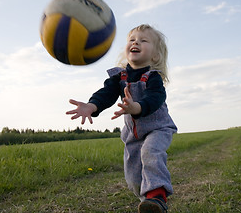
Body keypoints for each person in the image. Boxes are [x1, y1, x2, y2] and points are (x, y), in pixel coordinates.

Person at [66, 24, 177, 213]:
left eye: (143, 40)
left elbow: (155, 98)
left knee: (150, 152)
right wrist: (92, 106)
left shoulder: (153, 77)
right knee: (134, 178)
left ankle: (158, 196)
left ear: (155, 56)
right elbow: (106, 94)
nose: (136, 42)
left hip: (158, 128)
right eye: (132, 40)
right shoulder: (119, 77)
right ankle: (149, 203)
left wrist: (137, 107)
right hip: (133, 135)